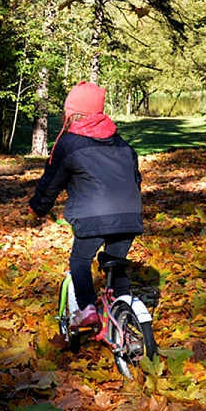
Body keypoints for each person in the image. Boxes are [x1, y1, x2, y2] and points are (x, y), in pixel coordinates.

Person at [29, 81, 145, 329]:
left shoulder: (68, 143)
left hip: (92, 218)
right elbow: (135, 179)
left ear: (73, 113)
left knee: (80, 261)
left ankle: (86, 308)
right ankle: (125, 307)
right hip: (130, 215)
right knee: (115, 263)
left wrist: (38, 208)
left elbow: (51, 183)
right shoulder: (121, 143)